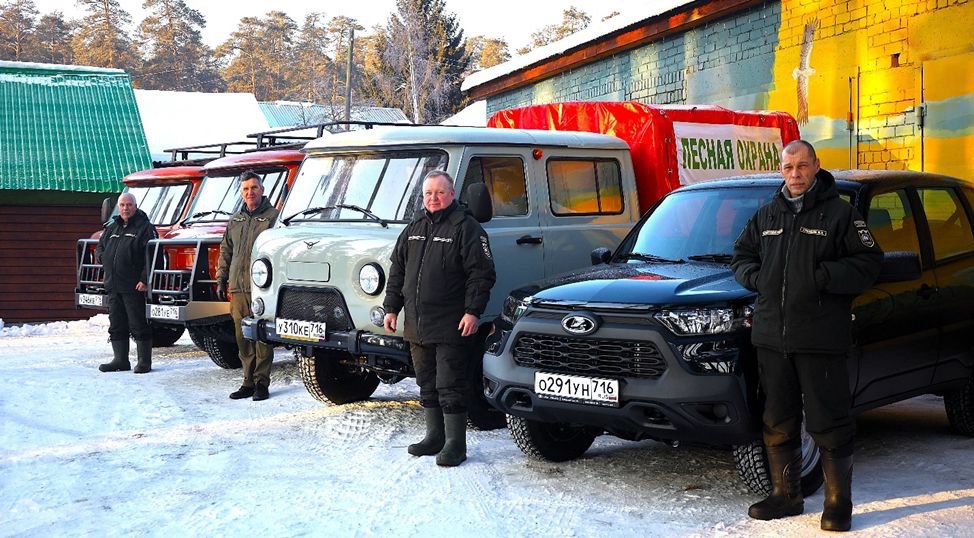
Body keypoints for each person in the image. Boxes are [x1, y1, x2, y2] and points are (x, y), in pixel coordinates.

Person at [731, 140, 884, 532]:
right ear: (781, 169)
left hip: (820, 338)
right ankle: (786, 495)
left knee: (829, 422)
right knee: (778, 420)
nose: (795, 175)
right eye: (788, 167)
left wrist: (822, 277)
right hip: (771, 338)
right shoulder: (766, 215)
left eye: (802, 166)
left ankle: (838, 503)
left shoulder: (841, 215)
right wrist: (758, 278)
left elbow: (869, 263)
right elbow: (741, 257)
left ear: (816, 166)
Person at [382, 170, 496, 467]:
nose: (433, 198)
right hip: (417, 324)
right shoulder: (414, 227)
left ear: (452, 194)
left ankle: (455, 443)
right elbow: (397, 272)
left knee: (450, 384)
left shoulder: (467, 228)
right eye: (428, 193)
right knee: (427, 383)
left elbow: (481, 275)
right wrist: (391, 308)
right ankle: (434, 436)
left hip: (451, 323)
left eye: (439, 192)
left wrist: (473, 311)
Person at [216, 171, 278, 401]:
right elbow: (225, 251)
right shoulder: (235, 220)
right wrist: (222, 278)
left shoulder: (273, 218)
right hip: (238, 287)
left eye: (253, 188)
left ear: (261, 190)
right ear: (241, 193)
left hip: (261, 287)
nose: (250, 192)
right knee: (243, 337)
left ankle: (262, 383)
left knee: (262, 335)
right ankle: (247, 382)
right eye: (245, 189)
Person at [97, 192, 157, 374]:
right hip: (113, 284)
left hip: (134, 285)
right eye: (122, 205)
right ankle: (120, 360)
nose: (125, 208)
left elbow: (152, 256)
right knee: (116, 323)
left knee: (138, 323)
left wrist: (145, 279)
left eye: (129, 205)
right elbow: (101, 246)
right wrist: (103, 257)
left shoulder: (145, 228)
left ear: (135, 206)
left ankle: (144, 361)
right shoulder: (112, 227)